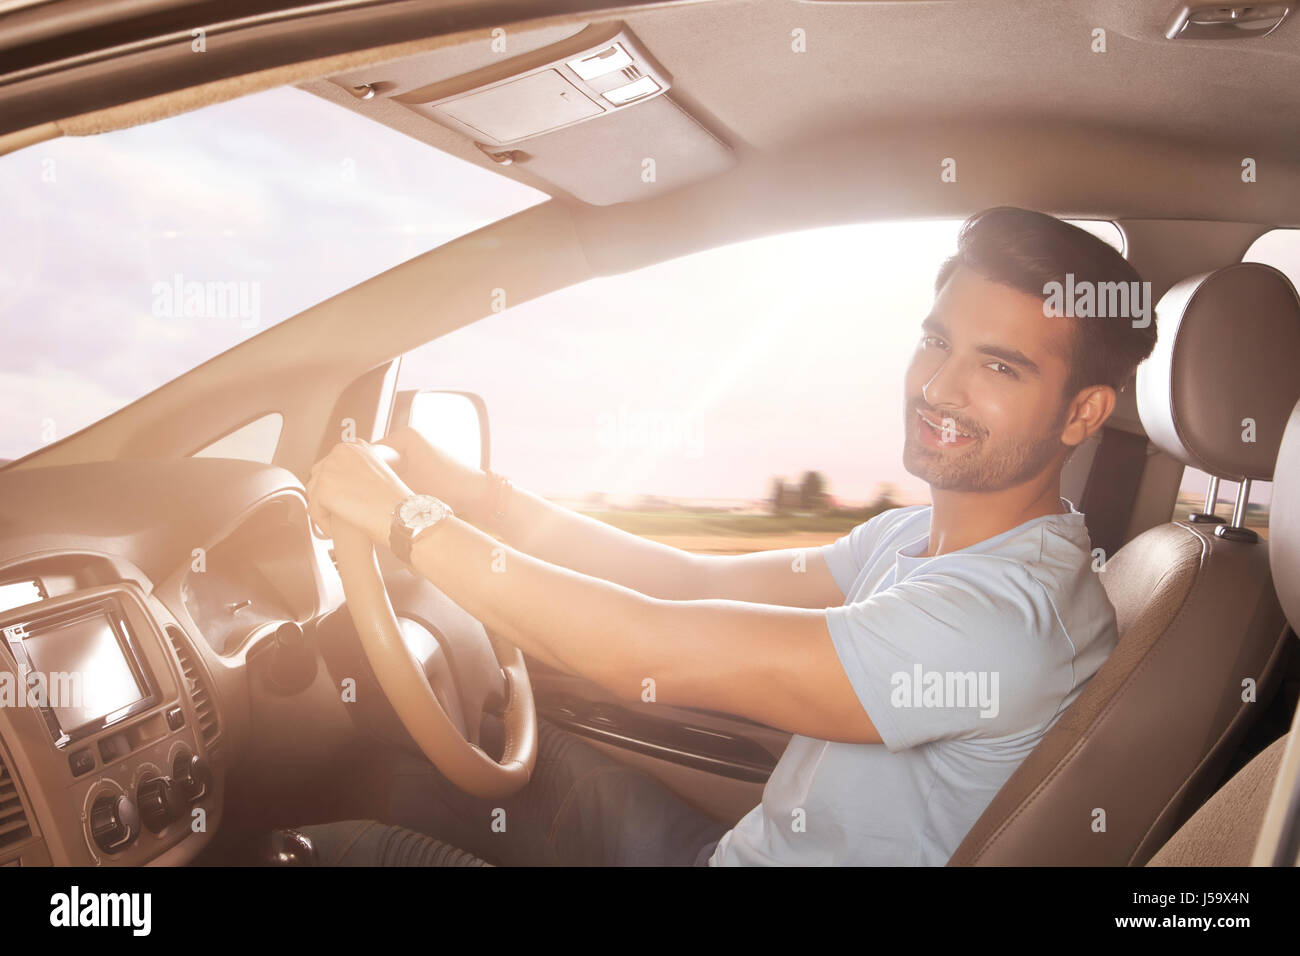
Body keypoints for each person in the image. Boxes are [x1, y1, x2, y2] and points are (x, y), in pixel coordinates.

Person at [297, 206, 1158, 866]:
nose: (937, 387)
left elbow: (644, 648)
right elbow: (679, 581)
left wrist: (406, 519)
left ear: (1083, 411)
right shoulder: (919, 537)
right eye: (936, 342)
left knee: (336, 855)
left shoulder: (999, 621)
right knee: (447, 767)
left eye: (997, 366)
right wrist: (478, 496)